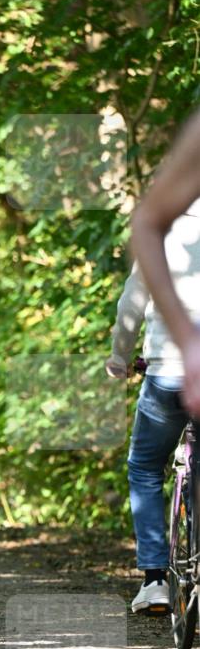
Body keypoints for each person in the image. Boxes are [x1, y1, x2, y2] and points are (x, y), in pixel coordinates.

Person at [107, 200, 200, 614]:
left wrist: (119, 357)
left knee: (144, 467)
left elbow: (131, 306)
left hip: (167, 372)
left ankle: (155, 581)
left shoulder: (159, 232)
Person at [130, 107, 200, 417]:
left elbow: (128, 305)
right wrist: (188, 341)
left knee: (146, 452)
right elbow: (146, 223)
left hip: (163, 369)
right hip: (169, 368)